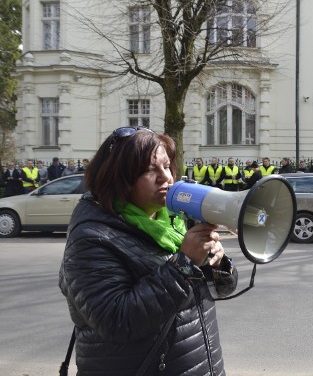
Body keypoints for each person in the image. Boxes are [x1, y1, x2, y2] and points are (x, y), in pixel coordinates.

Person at [59, 126, 238, 374]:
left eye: (166, 166)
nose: (166, 178)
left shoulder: (174, 220)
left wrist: (219, 265)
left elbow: (221, 289)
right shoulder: (91, 238)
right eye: (149, 170)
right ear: (119, 179)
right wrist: (184, 264)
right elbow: (117, 322)